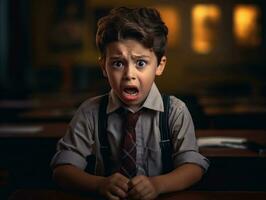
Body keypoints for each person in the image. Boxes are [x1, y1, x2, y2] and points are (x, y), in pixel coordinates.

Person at [50, 6, 209, 200]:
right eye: (118, 63)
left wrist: (157, 185)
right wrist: (99, 184)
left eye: (140, 63)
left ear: (159, 66)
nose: (129, 75)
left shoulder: (175, 111)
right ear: (103, 67)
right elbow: (63, 169)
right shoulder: (90, 112)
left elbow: (193, 167)